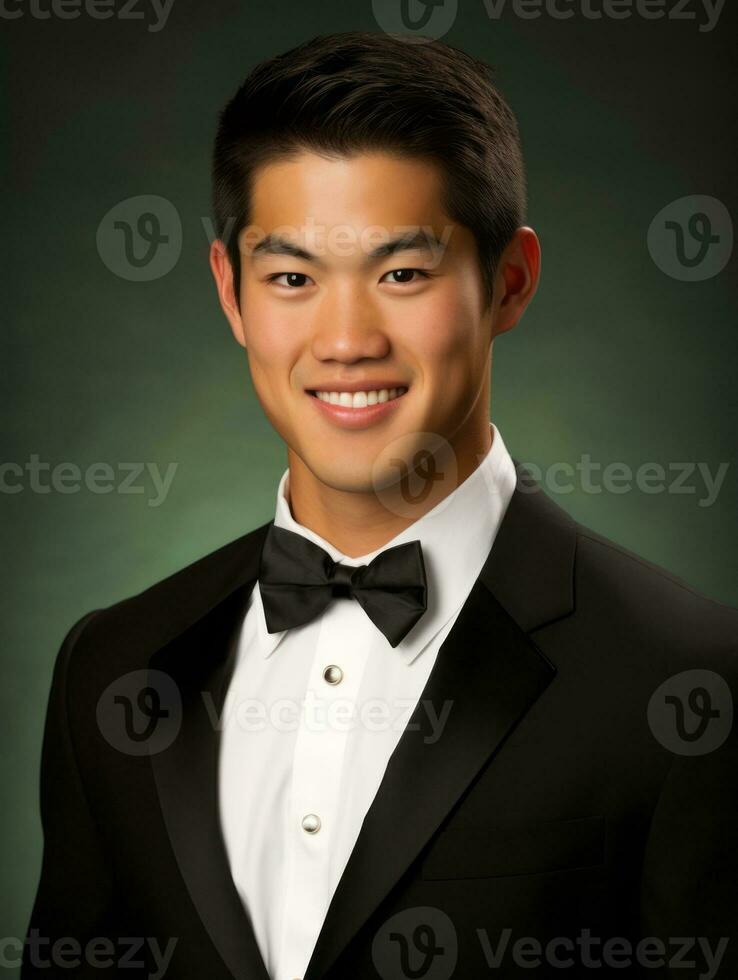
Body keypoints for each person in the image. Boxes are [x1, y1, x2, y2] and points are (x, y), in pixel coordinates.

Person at [23, 30, 738, 980]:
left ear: (508, 282)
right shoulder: (107, 667)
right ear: (231, 295)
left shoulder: (688, 678)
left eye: (403, 273)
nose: (346, 338)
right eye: (292, 278)